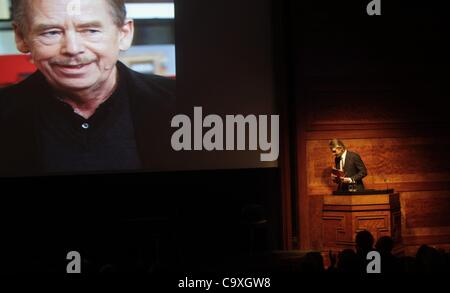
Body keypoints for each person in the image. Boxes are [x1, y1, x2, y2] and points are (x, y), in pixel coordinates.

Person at [0, 0, 176, 177]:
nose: (73, 49)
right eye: (51, 32)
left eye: (91, 30)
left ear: (124, 34)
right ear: (21, 37)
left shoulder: (184, 103)